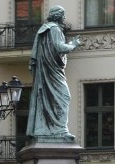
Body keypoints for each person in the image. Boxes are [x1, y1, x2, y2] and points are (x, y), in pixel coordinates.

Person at [26, 5, 81, 142]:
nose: (64, 18)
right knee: (64, 97)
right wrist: (73, 45)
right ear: (57, 16)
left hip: (49, 71)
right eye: (63, 15)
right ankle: (60, 129)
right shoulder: (54, 29)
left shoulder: (44, 30)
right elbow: (59, 47)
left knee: (48, 100)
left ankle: (47, 128)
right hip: (52, 72)